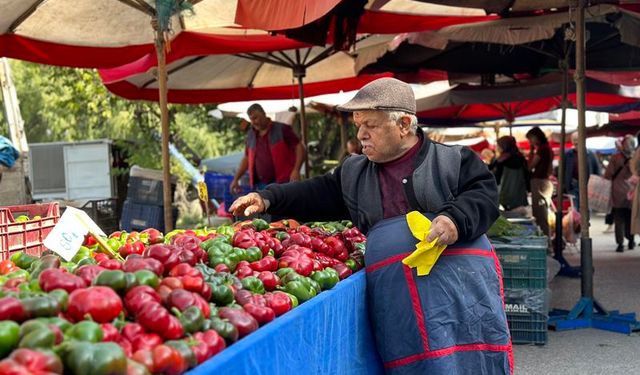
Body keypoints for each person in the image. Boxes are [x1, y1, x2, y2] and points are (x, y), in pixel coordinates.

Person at [230, 78, 512, 374]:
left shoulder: (453, 161)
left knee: (466, 359)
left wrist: (455, 218)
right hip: (397, 293)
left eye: (371, 125)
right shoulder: (354, 173)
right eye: (358, 125)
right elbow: (315, 191)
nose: (361, 134)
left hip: (455, 291)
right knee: (412, 363)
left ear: (404, 124)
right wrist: (267, 197)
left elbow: (485, 194)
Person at [229, 104, 305, 193]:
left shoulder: (282, 129)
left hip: (283, 182)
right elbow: (246, 158)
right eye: (251, 119)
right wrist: (236, 179)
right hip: (260, 185)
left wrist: (296, 170)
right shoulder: (251, 135)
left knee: (285, 206)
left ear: (264, 114)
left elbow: (300, 147)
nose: (253, 122)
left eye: (256, 118)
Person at [605, 135, 635, 252]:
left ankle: (620, 244)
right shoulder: (635, 158)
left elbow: (608, 174)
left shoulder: (615, 157)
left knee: (619, 219)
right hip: (632, 191)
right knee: (630, 218)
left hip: (617, 191)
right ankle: (631, 241)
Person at [526, 127, 553, 239]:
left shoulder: (542, 149)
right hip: (545, 181)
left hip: (539, 182)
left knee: (540, 215)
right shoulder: (547, 148)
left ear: (536, 136)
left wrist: (531, 151)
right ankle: (546, 240)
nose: (530, 142)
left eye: (530, 139)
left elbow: (530, 166)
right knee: (542, 213)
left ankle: (545, 241)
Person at [562, 131, 601, 210]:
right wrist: (564, 185)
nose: (576, 145)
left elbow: (597, 171)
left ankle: (585, 222)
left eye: (578, 142)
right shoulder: (568, 154)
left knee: (586, 210)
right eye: (575, 143)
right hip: (573, 185)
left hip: (587, 186)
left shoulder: (591, 155)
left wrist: (595, 186)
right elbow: (562, 170)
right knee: (574, 209)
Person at [494, 136, 529, 212]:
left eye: (499, 145)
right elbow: (527, 174)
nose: (498, 147)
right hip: (520, 192)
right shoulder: (520, 157)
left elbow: (497, 179)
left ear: (504, 146)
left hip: (506, 192)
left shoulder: (501, 159)